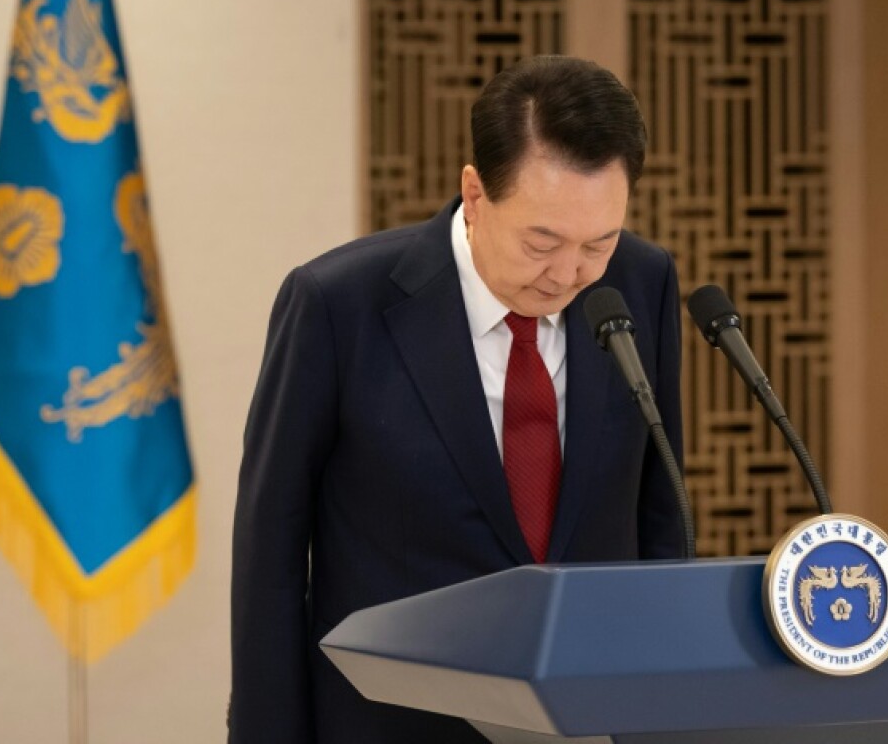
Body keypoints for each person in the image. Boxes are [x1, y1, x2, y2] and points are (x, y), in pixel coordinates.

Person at [229, 55, 686, 743]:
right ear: (475, 194)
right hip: (392, 723)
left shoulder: (640, 284)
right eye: (543, 240)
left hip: (590, 721)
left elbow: (660, 514)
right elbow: (271, 550)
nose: (570, 274)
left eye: (599, 241)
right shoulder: (338, 305)